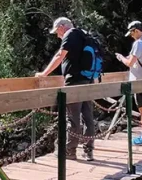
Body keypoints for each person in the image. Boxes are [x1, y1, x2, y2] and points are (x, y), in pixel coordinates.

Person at [35, 17, 96, 161]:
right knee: (87, 117)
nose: (57, 35)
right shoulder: (84, 34)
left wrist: (44, 74)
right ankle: (88, 151)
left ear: (62, 26)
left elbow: (59, 56)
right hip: (88, 80)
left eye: (57, 31)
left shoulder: (70, 34)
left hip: (74, 81)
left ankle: (69, 151)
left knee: (73, 118)